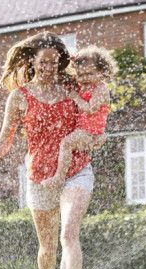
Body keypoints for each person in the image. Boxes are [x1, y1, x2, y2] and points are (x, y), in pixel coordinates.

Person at [0, 32, 104, 269]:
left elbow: (97, 103)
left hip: (76, 169)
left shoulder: (71, 86)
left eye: (53, 62)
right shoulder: (20, 97)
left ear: (60, 61)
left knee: (69, 233)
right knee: (47, 247)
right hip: (40, 177)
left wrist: (97, 133)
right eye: (42, 62)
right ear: (32, 61)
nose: (48, 67)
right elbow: (5, 141)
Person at [41, 46, 117, 188]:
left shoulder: (100, 88)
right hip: (85, 130)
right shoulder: (86, 85)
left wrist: (76, 98)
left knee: (66, 144)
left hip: (90, 131)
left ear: (101, 72)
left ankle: (59, 177)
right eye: (81, 75)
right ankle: (68, 177)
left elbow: (90, 109)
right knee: (67, 146)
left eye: (89, 74)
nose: (85, 78)